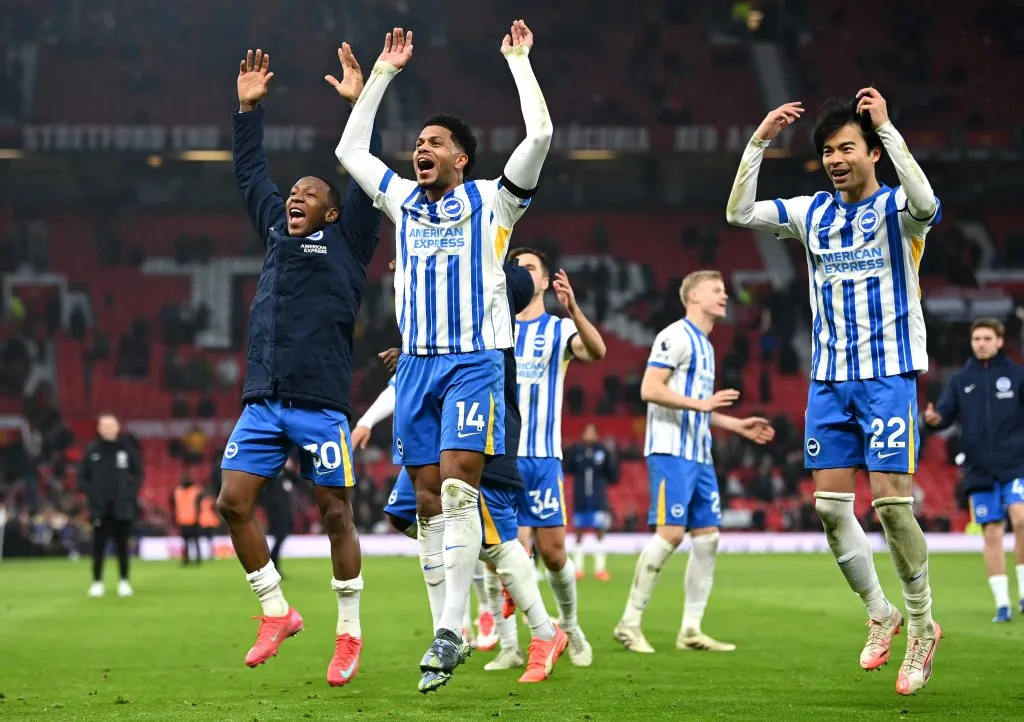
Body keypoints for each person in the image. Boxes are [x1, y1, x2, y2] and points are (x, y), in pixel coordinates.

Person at [334, 21, 552, 693]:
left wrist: (518, 62)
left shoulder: (492, 201)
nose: (419, 150)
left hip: (474, 360)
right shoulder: (403, 201)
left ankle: (453, 630)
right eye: (418, 143)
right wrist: (381, 76)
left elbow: (539, 136)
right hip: (419, 367)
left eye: (434, 143)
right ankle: (445, 630)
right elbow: (349, 149)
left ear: (462, 157)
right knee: (427, 502)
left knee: (460, 488)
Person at [726, 88, 943, 695]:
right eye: (827, 151)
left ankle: (923, 627)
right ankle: (882, 613)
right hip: (829, 380)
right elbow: (739, 213)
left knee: (893, 507)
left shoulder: (899, 208)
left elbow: (929, 201)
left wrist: (889, 128)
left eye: (847, 147)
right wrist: (760, 140)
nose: (835, 159)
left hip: (889, 375)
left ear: (872, 152)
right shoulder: (812, 212)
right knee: (828, 508)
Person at [216, 47, 382, 686]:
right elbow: (250, 173)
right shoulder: (277, 232)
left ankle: (348, 633)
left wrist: (360, 106)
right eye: (293, 193)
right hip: (264, 397)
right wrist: (246, 110)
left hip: (320, 403)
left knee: (335, 514)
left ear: (332, 211)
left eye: (310, 193)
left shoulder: (351, 238)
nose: (295, 197)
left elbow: (367, 173)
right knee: (232, 502)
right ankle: (276, 610)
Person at [353, 257, 569, 683]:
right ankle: (458, 622)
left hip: (485, 415)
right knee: (417, 515)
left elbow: (500, 293)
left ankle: (533, 631)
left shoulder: (497, 278)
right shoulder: (438, 276)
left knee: (488, 533)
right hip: (436, 416)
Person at [614, 271, 774, 654]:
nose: (724, 296)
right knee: (671, 534)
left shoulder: (706, 346)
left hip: (699, 454)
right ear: (694, 296)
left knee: (708, 539)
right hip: (671, 450)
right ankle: (629, 622)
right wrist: (702, 404)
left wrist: (736, 425)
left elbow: (700, 406)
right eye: (716, 290)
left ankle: (690, 629)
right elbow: (650, 389)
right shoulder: (675, 336)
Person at [506, 247, 605, 664]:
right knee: (508, 553)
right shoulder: (498, 328)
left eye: (530, 268)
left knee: (554, 553)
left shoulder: (558, 329)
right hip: (503, 458)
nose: (523, 274)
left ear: (545, 281)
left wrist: (575, 309)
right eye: (517, 268)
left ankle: (571, 623)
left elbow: (597, 351)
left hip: (544, 457)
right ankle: (517, 645)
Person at [923, 318, 1024, 622]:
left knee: (1021, 520)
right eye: (976, 338)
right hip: (979, 468)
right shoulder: (960, 380)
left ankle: (1023, 594)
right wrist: (933, 420)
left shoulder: (1017, 376)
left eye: (986, 338)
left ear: (999, 341)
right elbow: (944, 416)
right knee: (991, 532)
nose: (981, 343)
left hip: (1015, 463)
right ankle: (1003, 604)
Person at [80, 412, 142, 598]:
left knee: (122, 546)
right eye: (104, 425)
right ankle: (97, 582)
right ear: (99, 428)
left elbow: (138, 474)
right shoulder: (92, 450)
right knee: (98, 546)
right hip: (99, 508)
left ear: (117, 427)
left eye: (111, 425)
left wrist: (129, 495)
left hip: (121, 508)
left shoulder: (126, 449)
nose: (108, 429)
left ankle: (124, 581)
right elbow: (82, 478)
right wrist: (93, 496)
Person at [564, 422, 619, 580]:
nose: (590, 435)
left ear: (597, 434)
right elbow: (567, 468)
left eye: (592, 432)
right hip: (580, 498)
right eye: (587, 432)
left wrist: (611, 456)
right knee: (579, 534)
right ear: (582, 434)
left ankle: (600, 569)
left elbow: (613, 474)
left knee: (600, 532)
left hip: (598, 499)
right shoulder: (576, 451)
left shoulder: (603, 451)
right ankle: (578, 569)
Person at [171, 474, 202, 565]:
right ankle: (196, 560)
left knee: (187, 542)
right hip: (191, 520)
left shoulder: (177, 491)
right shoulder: (195, 491)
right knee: (194, 541)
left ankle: (186, 560)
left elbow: (173, 504)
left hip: (184, 520)